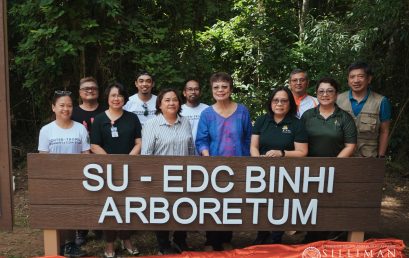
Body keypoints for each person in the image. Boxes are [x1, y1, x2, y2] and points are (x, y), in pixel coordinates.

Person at [196, 72, 252, 251]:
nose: (220, 90)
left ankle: (227, 237)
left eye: (224, 87)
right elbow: (201, 140)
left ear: (230, 88)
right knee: (212, 203)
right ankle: (211, 240)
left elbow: (248, 139)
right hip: (213, 167)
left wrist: (246, 162)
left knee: (232, 203)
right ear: (211, 90)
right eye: (216, 87)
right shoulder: (207, 114)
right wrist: (208, 159)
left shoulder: (242, 111)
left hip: (237, 166)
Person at [250, 86, 308, 245]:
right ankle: (261, 235)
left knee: (280, 205)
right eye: (276, 100)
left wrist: (282, 153)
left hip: (286, 174)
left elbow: (302, 151)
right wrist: (258, 161)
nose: (279, 104)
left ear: (290, 104)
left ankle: (276, 237)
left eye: (284, 100)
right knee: (262, 203)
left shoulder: (297, 124)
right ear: (270, 102)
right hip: (262, 172)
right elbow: (253, 146)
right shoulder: (262, 120)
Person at [302, 77, 357, 242]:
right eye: (321, 91)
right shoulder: (307, 116)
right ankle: (311, 236)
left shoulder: (344, 118)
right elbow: (298, 142)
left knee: (331, 202)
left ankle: (331, 237)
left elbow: (350, 145)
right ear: (316, 94)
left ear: (336, 94)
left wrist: (334, 164)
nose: (325, 94)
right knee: (311, 203)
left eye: (329, 91)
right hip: (309, 170)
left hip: (336, 170)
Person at [91, 83, 141, 258]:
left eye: (120, 95)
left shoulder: (132, 118)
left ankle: (126, 239)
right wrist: (110, 161)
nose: (116, 98)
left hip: (129, 169)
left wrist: (128, 159)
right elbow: (94, 145)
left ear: (125, 98)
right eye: (113, 95)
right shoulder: (99, 119)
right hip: (106, 171)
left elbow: (139, 142)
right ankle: (110, 244)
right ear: (107, 97)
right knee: (109, 207)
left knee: (127, 206)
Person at [141, 88, 194, 255]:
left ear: (179, 103)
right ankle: (163, 243)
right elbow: (147, 154)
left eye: (175, 100)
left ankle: (180, 240)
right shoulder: (151, 125)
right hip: (161, 176)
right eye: (167, 100)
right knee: (162, 210)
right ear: (160, 104)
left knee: (183, 208)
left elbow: (191, 148)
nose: (172, 103)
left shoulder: (185, 121)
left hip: (184, 175)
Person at [38, 90, 90, 257]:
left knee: (71, 213)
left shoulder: (80, 129)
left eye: (69, 105)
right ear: (53, 107)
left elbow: (85, 155)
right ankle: (57, 246)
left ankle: (71, 244)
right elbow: (43, 157)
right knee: (55, 212)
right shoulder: (46, 130)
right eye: (61, 105)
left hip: (75, 179)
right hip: (54, 179)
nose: (65, 109)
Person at [71, 76, 104, 245]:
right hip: (80, 159)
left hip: (103, 159)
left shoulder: (106, 110)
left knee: (102, 194)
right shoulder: (73, 112)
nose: (90, 90)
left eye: (93, 88)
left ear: (98, 91)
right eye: (86, 88)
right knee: (82, 195)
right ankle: (81, 230)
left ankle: (99, 226)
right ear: (80, 92)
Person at [337, 62, 392, 158]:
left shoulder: (381, 101)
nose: (356, 80)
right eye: (352, 77)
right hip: (341, 155)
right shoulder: (338, 100)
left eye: (360, 76)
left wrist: (381, 156)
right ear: (348, 80)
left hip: (368, 157)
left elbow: (384, 131)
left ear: (369, 79)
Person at [180, 79, 208, 153]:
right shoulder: (178, 110)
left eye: (196, 89)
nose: (193, 92)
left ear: (200, 92)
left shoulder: (207, 109)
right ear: (184, 93)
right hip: (183, 152)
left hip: (205, 153)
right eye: (190, 89)